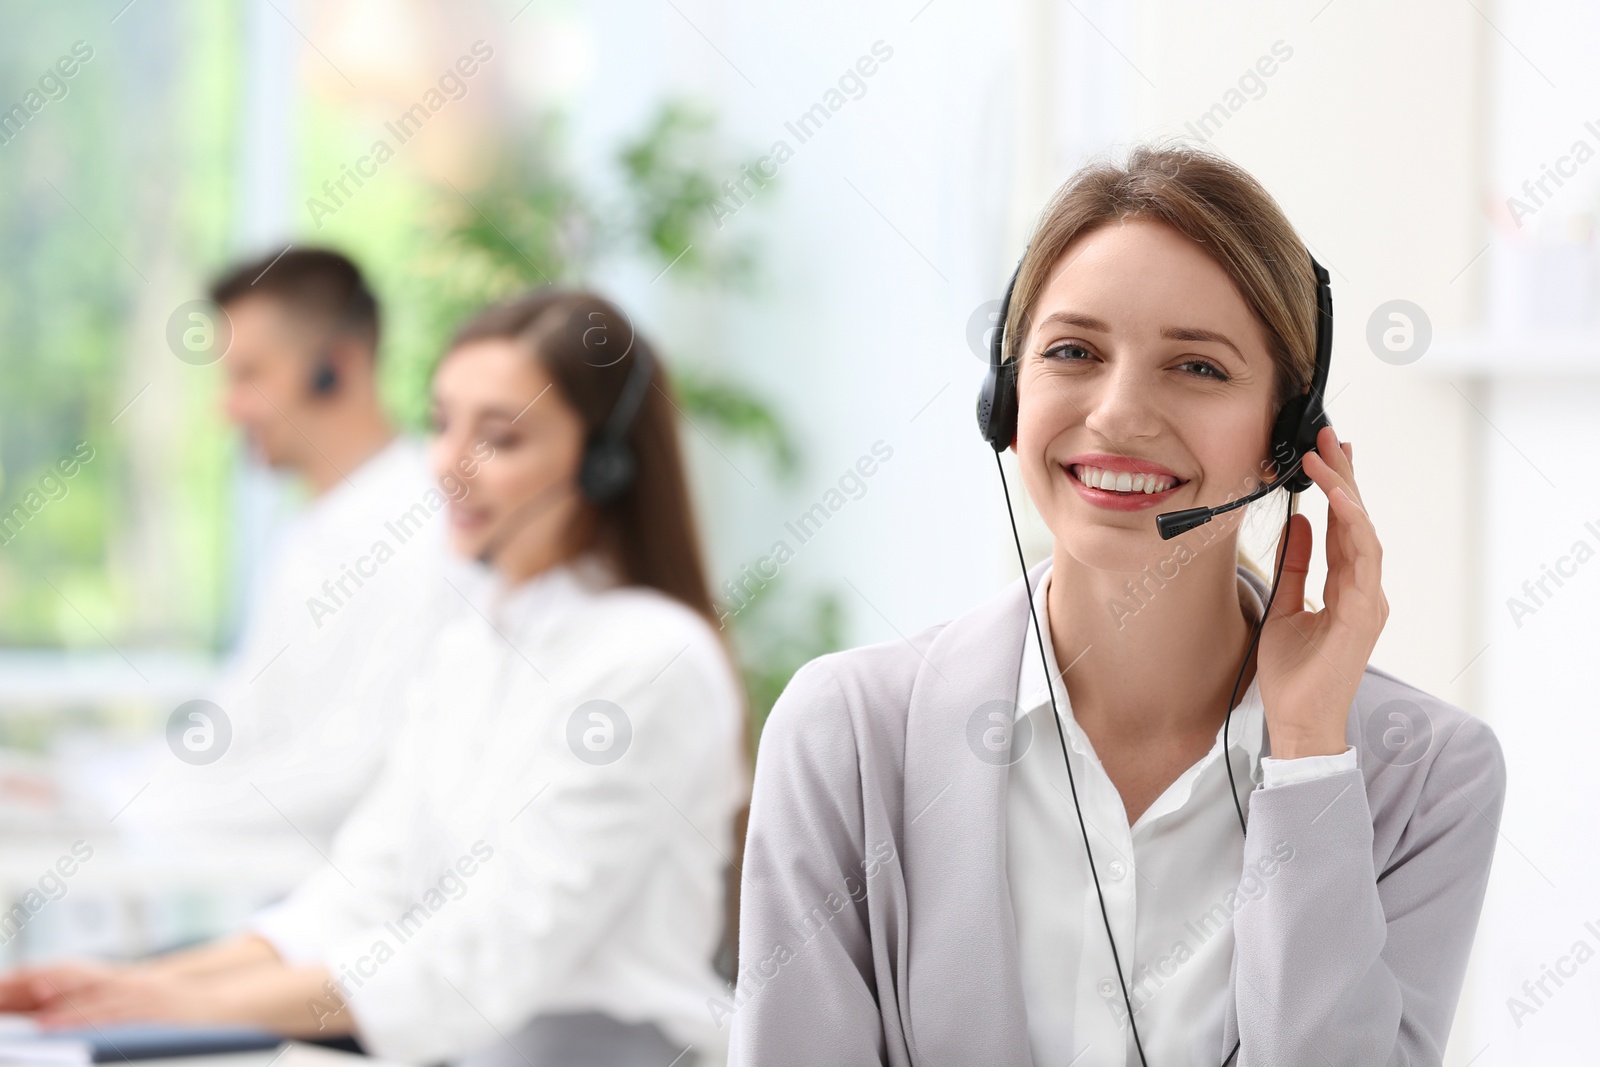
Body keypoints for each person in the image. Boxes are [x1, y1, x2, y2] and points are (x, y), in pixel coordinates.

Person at [728, 143, 1505, 1065]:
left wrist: (1306, 759)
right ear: (1005, 400)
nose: (1120, 413)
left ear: (1289, 438)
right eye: (1073, 352)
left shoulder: (1427, 778)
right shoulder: (846, 738)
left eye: (1199, 368)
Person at [1, 291, 749, 1067]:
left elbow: (486, 956)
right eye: (441, 422)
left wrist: (186, 1003)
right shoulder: (476, 643)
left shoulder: (653, 658)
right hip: (465, 1042)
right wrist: (132, 984)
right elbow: (365, 886)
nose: (448, 467)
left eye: (499, 436)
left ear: (603, 462)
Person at [113, 248, 447, 851]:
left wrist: (128, 815)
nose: (228, 405)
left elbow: (350, 775)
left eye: (249, 375)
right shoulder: (309, 535)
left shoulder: (423, 535)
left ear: (335, 367)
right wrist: (93, 794)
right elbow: (238, 720)